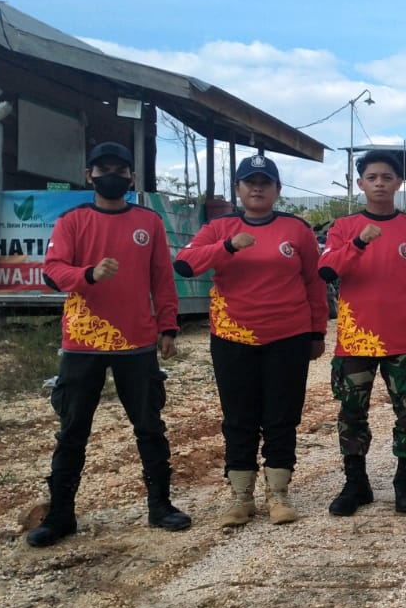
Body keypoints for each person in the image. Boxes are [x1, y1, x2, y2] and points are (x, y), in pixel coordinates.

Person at [28, 142, 190, 547]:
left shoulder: (148, 222)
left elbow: (162, 279)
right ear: (89, 176)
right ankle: (61, 515)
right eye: (104, 169)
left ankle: (160, 505)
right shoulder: (72, 220)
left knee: (150, 425)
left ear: (132, 177)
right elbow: (52, 271)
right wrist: (90, 274)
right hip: (83, 342)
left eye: (120, 169)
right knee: (72, 430)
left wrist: (167, 325)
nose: (112, 175)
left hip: (136, 342)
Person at [174, 154, 328, 526]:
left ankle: (278, 493)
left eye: (265, 181)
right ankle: (241, 496)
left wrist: (317, 330)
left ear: (277, 189)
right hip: (232, 336)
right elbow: (185, 263)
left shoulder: (297, 230)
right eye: (249, 181)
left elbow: (314, 281)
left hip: (287, 336)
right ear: (239, 189)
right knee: (239, 417)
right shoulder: (219, 227)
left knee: (282, 415)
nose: (257, 187)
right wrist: (227, 247)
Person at [318, 150, 406, 516]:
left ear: (399, 183)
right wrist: (359, 243)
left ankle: (405, 482)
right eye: (372, 177)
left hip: (400, 339)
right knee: (352, 412)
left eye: (387, 177)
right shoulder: (343, 228)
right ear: (360, 184)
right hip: (355, 340)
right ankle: (356, 483)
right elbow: (328, 269)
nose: (380, 183)